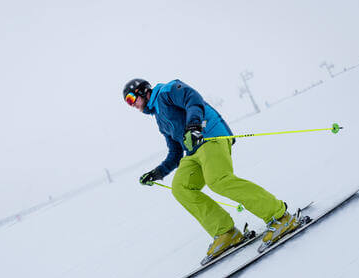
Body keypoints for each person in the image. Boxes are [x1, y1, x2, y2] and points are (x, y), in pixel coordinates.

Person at [123, 78, 299, 264]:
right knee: (181, 188)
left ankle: (280, 216)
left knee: (218, 180)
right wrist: (158, 172)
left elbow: (192, 98)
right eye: (128, 103)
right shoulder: (160, 119)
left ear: (142, 91)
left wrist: (194, 126)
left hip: (211, 136)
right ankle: (225, 232)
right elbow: (175, 153)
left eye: (131, 99)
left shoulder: (166, 91)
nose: (132, 105)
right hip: (193, 150)